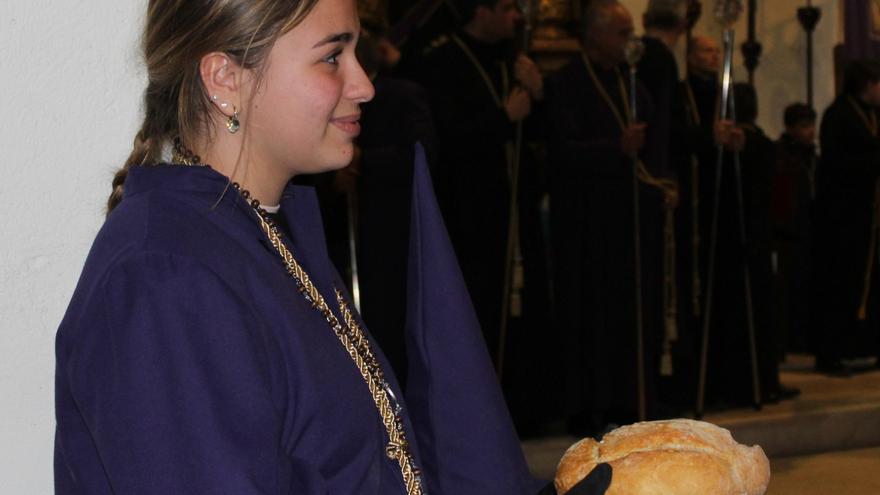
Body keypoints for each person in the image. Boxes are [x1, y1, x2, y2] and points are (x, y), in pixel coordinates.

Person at [55, 1, 610, 493]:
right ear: (225, 77)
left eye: (358, 53)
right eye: (331, 57)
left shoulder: (264, 231)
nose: (365, 84)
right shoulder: (167, 277)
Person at [406, 0, 556, 433]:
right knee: (481, 309)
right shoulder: (441, 61)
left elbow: (542, 137)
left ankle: (529, 408)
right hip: (472, 216)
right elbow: (445, 142)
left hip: (517, 208)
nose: (517, 18)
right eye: (508, 8)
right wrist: (502, 118)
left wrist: (539, 95)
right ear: (482, 10)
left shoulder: (514, 61)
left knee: (527, 309)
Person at [545, 0, 666, 433]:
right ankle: (589, 404)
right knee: (589, 314)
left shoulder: (630, 81)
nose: (628, 42)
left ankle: (629, 396)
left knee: (627, 309)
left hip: (627, 221)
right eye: (621, 33)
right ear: (594, 35)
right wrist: (615, 147)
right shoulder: (566, 83)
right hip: (585, 223)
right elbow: (561, 152)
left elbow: (653, 143)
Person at [812, 60, 880, 375]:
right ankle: (831, 352)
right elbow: (837, 165)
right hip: (844, 220)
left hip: (870, 219)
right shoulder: (839, 115)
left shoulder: (871, 114)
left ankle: (866, 345)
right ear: (867, 83)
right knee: (839, 284)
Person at [772, 103, 817, 354]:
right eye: (804, 127)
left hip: (808, 230)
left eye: (812, 126)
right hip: (789, 232)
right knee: (789, 289)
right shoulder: (783, 158)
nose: (810, 132)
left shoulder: (810, 157)